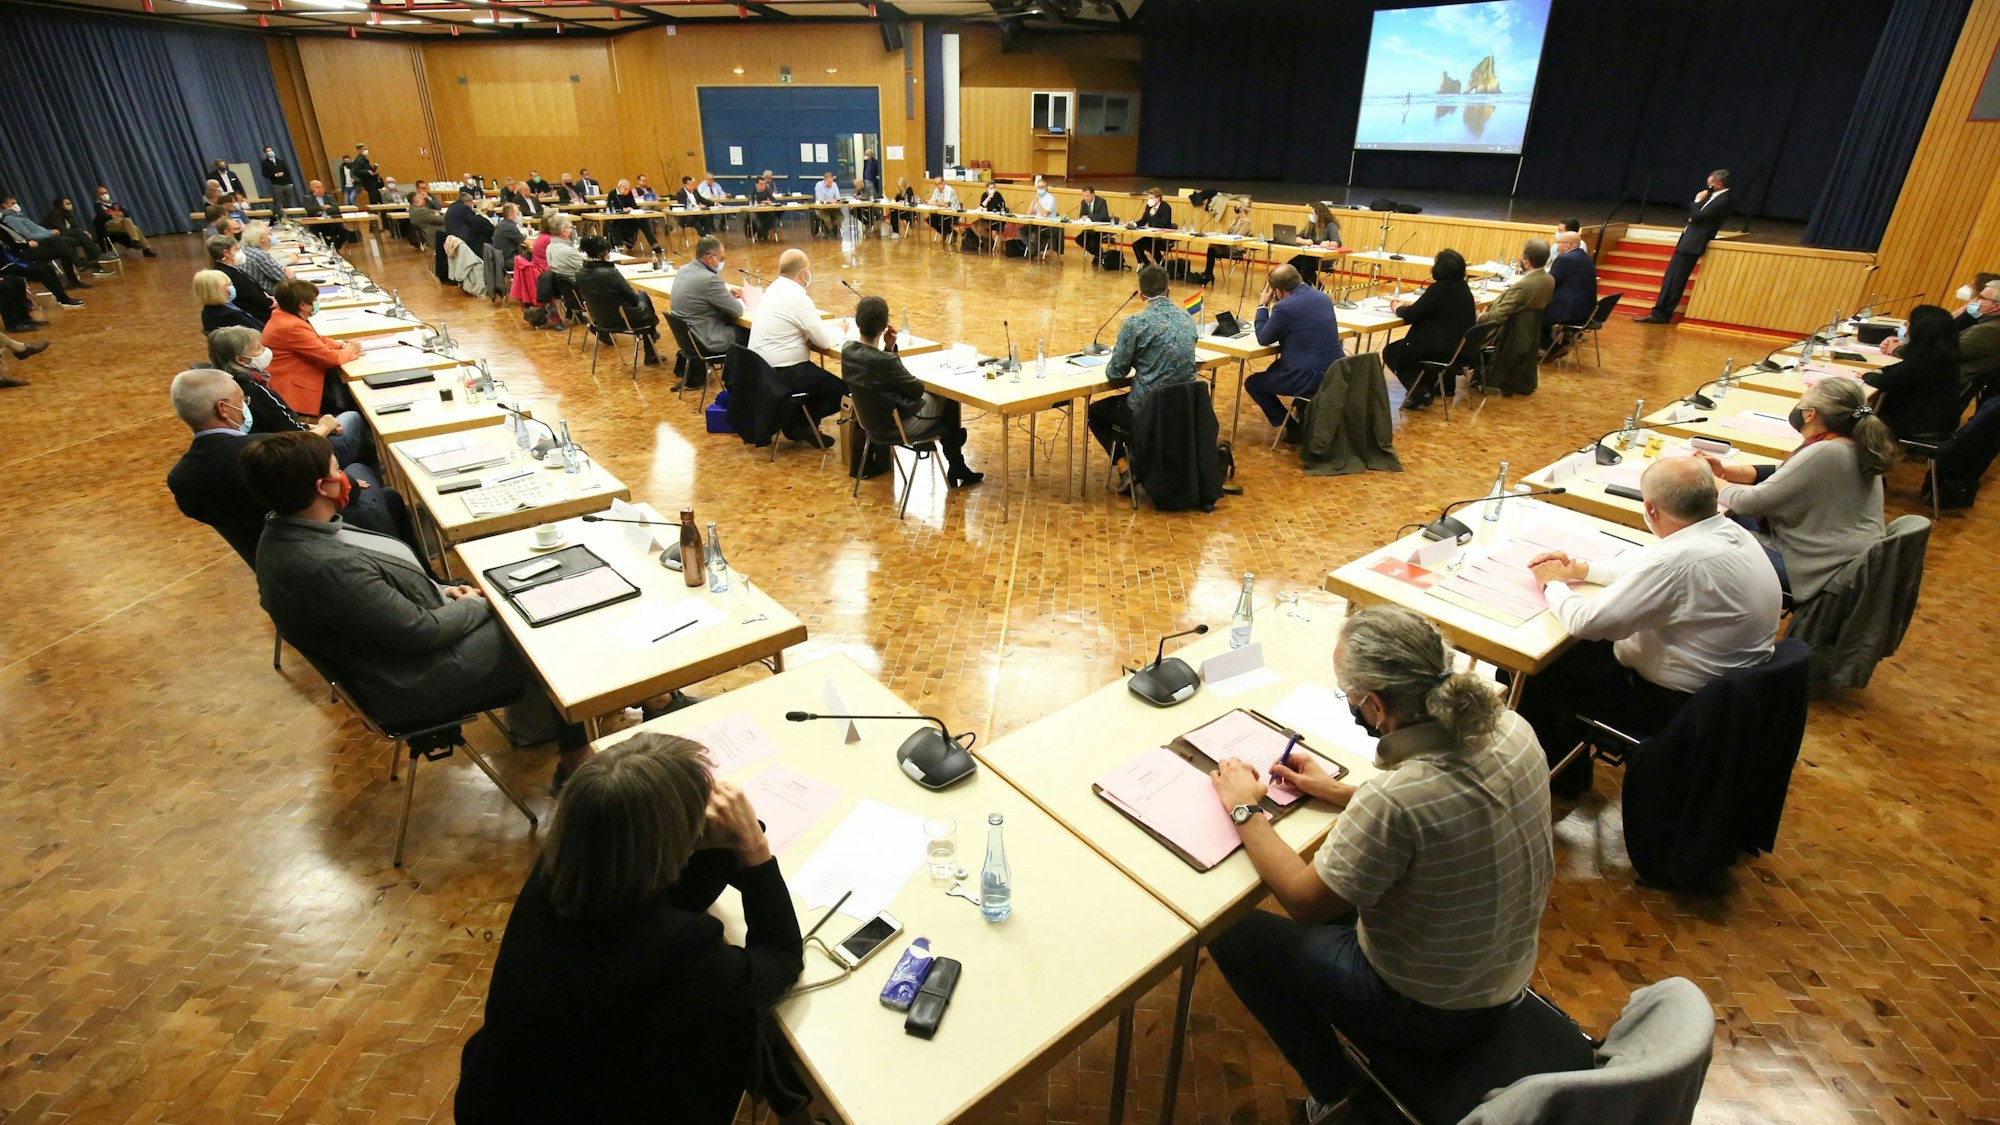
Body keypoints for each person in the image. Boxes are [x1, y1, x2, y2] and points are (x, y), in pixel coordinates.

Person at [1207, 606, 1552, 1124]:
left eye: (1348, 697)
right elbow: (1449, 806)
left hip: (1430, 1010)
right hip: (1503, 973)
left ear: (1374, 704)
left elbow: (1303, 901)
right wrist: (1342, 791)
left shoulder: (1397, 799)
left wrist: (1244, 807)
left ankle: (1336, 1090)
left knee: (1230, 931)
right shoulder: (1513, 729)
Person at [454, 731, 806, 1124]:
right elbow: (781, 959)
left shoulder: (562, 869)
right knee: (745, 1030)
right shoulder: (676, 947)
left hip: (498, 1100)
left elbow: (672, 893)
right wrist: (753, 849)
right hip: (599, 1109)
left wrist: (716, 840)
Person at [239, 430, 595, 788]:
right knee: (543, 623)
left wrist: (444, 590)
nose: (345, 474)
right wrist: (480, 603)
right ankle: (576, 761)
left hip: (404, 648)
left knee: (517, 591)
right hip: (416, 679)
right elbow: (420, 631)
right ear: (323, 486)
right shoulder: (322, 564)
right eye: (337, 468)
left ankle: (547, 724)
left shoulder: (289, 531)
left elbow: (386, 597)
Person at [1518, 456, 1782, 795]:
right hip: (1726, 694)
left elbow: (1586, 622)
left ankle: (1559, 782)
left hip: (1674, 705)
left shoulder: (1681, 561)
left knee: (1536, 669)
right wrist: (1582, 571)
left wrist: (1551, 584)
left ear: (1651, 510)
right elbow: (1645, 564)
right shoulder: (1727, 531)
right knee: (1579, 649)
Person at [167, 366, 394, 565]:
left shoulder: (180, 479)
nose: (245, 406)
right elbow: (340, 490)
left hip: (271, 557)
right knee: (370, 479)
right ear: (223, 409)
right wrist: (351, 483)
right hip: (326, 536)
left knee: (382, 494)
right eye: (242, 401)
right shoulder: (270, 448)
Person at [1703, 378, 1891, 600]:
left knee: (1705, 536)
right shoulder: (1857, 442)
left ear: (1810, 414)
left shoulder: (1827, 452)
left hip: (1818, 566)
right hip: (1846, 555)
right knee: (1723, 520)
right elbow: (1786, 471)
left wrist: (1708, 476)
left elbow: (1748, 503)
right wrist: (1727, 471)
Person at [841, 295, 982, 487]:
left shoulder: (848, 350)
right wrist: (891, 354)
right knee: (947, 397)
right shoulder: (885, 361)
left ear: (858, 322)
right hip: (898, 426)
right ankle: (956, 459)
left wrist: (888, 349)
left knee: (944, 410)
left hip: (870, 424)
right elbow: (916, 390)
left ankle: (955, 451)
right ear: (884, 326)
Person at [1087, 264, 1198, 492]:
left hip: (1147, 409)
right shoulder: (1188, 319)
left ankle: (1125, 465)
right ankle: (1144, 456)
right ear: (1168, 291)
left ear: (1141, 295)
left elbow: (1115, 373)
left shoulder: (1135, 323)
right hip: (1183, 409)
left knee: (1096, 413)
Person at [746, 248, 846, 442]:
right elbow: (824, 340)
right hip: (786, 371)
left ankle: (798, 422)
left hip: (762, 369)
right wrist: (841, 329)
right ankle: (798, 423)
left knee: (819, 381)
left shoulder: (773, 289)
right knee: (841, 392)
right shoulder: (797, 298)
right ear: (802, 273)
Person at [1250, 264, 1344, 442]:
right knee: (1275, 369)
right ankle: (1303, 412)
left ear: (1278, 292)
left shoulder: (1284, 307)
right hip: (1335, 372)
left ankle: (1293, 430)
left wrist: (1262, 305)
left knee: (1254, 383)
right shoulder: (1323, 298)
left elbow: (1263, 338)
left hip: (1308, 376)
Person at [1634, 169, 1734, 324]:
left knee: (1676, 280)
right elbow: (1694, 217)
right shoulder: (1714, 196)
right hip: (1688, 239)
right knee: (1671, 278)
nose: (1708, 186)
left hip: (1694, 243)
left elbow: (1697, 216)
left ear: (1719, 184)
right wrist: (1694, 214)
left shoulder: (1723, 200)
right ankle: (1660, 312)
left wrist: (1696, 201)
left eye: (1711, 183)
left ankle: (1661, 314)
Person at [1383, 249, 1477, 410]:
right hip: (1456, 348)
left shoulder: (1438, 289)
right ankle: (1428, 387)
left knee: (1391, 352)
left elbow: (1412, 315)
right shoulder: (1464, 289)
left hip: (1436, 349)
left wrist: (1398, 308)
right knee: (1403, 349)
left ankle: (1420, 391)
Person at [1867, 304, 1966, 440]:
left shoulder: (1927, 358)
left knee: (1855, 416)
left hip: (1920, 422)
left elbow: (1885, 382)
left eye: (1909, 324)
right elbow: (1902, 369)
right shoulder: (1943, 352)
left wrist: (1868, 375)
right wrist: (1879, 370)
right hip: (1935, 418)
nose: (1907, 327)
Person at [264, 278, 361, 416]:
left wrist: (341, 345)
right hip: (297, 388)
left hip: (297, 377)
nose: (316, 303)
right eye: (314, 300)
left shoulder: (284, 317)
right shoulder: (292, 326)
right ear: (303, 305)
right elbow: (331, 358)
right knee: (353, 400)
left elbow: (316, 338)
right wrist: (350, 351)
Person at [1474, 238, 1554, 396]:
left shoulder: (1524, 286)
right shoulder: (1549, 279)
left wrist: (1481, 317)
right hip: (1530, 328)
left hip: (1511, 329)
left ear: (1527, 261)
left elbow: (1498, 316)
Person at [573, 235, 663, 366]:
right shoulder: (610, 273)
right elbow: (632, 298)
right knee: (643, 297)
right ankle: (650, 347)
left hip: (599, 318)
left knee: (641, 303)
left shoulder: (579, 273)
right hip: (622, 318)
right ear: (605, 253)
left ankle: (651, 338)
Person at [669, 235, 747, 372]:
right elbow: (737, 311)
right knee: (751, 333)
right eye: (721, 259)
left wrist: (725, 295)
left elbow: (701, 300)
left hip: (690, 339)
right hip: (707, 340)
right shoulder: (709, 279)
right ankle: (743, 381)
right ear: (711, 258)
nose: (722, 263)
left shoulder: (683, 270)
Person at [2, 194, 100, 276]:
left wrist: (49, 232)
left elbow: (38, 229)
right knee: (70, 240)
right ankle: (87, 260)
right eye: (12, 203)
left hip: (48, 235)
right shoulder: (11, 219)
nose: (16, 205)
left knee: (76, 237)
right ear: (4, 206)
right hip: (39, 242)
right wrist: (49, 233)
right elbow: (29, 236)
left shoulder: (19, 216)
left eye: (16, 203)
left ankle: (81, 264)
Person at [1541, 229, 1597, 353]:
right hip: (1586, 310)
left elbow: (1550, 282)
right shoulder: (1586, 258)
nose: (1556, 245)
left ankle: (1553, 349)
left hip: (1571, 311)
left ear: (1567, 245)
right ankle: (1553, 344)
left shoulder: (1565, 259)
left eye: (1558, 242)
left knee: (1532, 314)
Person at [0, 233, 85, 308]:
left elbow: (11, 245)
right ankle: (64, 299)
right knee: (41, 270)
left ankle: (62, 298)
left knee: (47, 267)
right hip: (4, 266)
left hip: (15, 259)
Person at [208, 235, 276, 324]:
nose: (240, 252)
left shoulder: (230, 268)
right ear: (226, 253)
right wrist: (271, 302)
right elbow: (249, 296)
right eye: (236, 249)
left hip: (258, 307)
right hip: (256, 316)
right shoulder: (226, 274)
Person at [1956, 277, 2000, 400]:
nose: (1974, 300)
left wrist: (1899, 349)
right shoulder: (1988, 323)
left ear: (1996, 307)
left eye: (1981, 298)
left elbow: (1944, 353)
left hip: (1947, 383)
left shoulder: (1990, 330)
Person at [40, 197, 115, 266]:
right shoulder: (55, 214)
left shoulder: (67, 214)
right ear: (60, 205)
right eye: (67, 203)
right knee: (79, 234)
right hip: (51, 237)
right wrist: (81, 232)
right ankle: (97, 257)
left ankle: (93, 262)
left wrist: (84, 232)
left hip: (63, 235)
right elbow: (61, 230)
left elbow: (74, 227)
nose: (70, 205)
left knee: (84, 236)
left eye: (70, 203)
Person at [1194, 202, 1251, 284]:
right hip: (1228, 245)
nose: (1236, 207)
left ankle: (1208, 273)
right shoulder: (1235, 220)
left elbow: (1238, 236)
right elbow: (1229, 233)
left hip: (1236, 249)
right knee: (1211, 246)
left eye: (1238, 205)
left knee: (1212, 247)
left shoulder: (1246, 222)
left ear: (1242, 208)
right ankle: (1208, 273)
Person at [1289, 202, 1344, 286]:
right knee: (1292, 264)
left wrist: (1328, 243)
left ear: (1320, 215)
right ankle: (1306, 286)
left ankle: (1318, 287)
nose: (1311, 216)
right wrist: (1305, 241)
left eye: (1313, 214)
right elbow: (1297, 237)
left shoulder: (1331, 226)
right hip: (1309, 255)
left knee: (1305, 266)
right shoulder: (1311, 225)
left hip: (1324, 258)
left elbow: (1336, 243)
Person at [90, 186, 155, 257]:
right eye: (101, 193)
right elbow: (103, 216)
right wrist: (118, 214)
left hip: (121, 222)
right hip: (110, 223)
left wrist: (112, 214)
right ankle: (139, 243)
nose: (104, 195)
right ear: (97, 195)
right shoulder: (97, 205)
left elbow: (126, 213)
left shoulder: (115, 204)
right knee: (133, 226)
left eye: (105, 193)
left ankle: (140, 245)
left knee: (129, 222)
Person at [195, 269, 263, 333]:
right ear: (214, 291)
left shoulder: (207, 311)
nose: (231, 287)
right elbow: (257, 331)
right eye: (227, 285)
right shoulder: (230, 315)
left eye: (231, 283)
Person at [1128, 187, 1175, 268]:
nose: (1149, 200)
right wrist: (1134, 224)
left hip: (1163, 237)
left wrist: (1153, 215)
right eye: (1149, 198)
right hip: (1151, 236)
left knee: (1151, 244)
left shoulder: (1165, 207)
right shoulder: (1148, 207)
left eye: (1151, 198)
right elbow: (1143, 220)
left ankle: (1162, 265)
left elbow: (1162, 224)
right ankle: (1146, 264)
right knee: (1136, 245)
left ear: (1158, 198)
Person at [238, 222, 293, 291]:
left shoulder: (243, 247)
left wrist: (283, 267)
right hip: (270, 293)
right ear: (261, 239)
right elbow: (285, 279)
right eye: (269, 234)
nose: (271, 236)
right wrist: (290, 272)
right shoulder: (260, 255)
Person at [302, 181, 356, 248]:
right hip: (317, 225)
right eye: (317, 187)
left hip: (332, 223)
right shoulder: (307, 198)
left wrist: (324, 211)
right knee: (314, 233)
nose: (320, 189)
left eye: (321, 187)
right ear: (312, 188)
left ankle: (335, 247)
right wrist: (322, 207)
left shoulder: (329, 197)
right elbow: (309, 209)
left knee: (345, 232)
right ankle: (329, 246)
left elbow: (336, 209)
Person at [445, 192, 494, 258]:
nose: (472, 204)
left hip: (451, 238)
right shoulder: (464, 208)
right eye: (471, 202)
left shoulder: (452, 207)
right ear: (467, 202)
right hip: (463, 240)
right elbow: (474, 222)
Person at [1074, 186, 1113, 266]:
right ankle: (1098, 254)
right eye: (1084, 196)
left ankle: (1098, 255)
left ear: (1093, 194)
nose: (1085, 198)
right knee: (1079, 239)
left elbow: (1104, 215)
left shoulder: (1101, 202)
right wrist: (1083, 218)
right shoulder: (1083, 202)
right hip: (1089, 228)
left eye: (1087, 196)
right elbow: (1081, 215)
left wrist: (1089, 217)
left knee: (1093, 242)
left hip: (1100, 229)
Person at [406, 182, 446, 251]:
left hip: (433, 229)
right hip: (432, 234)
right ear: (415, 201)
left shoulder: (414, 208)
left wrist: (436, 213)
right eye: (420, 198)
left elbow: (435, 209)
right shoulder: (420, 211)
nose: (423, 199)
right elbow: (440, 220)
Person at [262, 146, 298, 210]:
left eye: (271, 150)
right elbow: (265, 174)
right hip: (277, 185)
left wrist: (290, 183)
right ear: (265, 153)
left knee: (291, 202)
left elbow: (287, 172)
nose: (270, 152)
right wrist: (275, 175)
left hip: (287, 184)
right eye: (268, 151)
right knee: (278, 203)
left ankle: (293, 216)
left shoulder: (280, 161)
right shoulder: (264, 163)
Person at [811, 172, 842, 238]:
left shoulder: (834, 184)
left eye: (831, 181)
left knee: (841, 218)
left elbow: (838, 197)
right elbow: (819, 198)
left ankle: (827, 227)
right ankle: (831, 234)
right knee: (827, 218)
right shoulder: (819, 185)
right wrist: (829, 200)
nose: (831, 184)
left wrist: (836, 200)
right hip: (821, 209)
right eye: (829, 182)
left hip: (832, 208)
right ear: (824, 180)